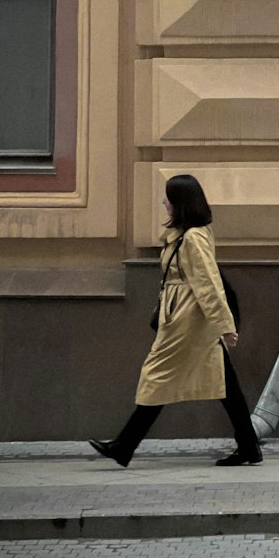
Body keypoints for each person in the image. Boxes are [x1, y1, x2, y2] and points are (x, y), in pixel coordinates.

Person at [89, 173, 263, 468]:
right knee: (225, 384)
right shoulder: (187, 235)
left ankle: (124, 445)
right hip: (186, 320)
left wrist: (225, 326)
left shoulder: (193, 238)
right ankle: (249, 446)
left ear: (180, 202)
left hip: (187, 322)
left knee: (157, 375)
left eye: (167, 197)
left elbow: (208, 284)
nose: (163, 202)